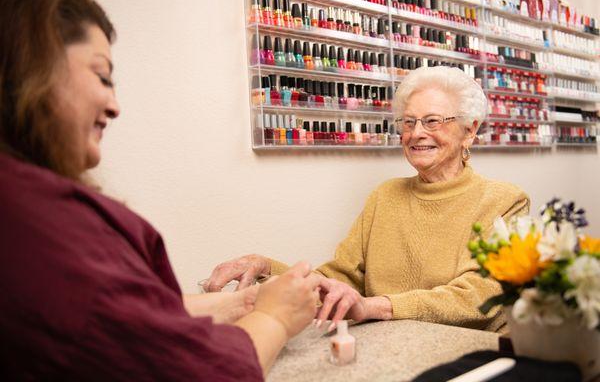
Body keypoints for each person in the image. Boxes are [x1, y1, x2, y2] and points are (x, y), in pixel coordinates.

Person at [0, 0, 320, 380]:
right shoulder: (35, 221)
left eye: (426, 121)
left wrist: (239, 306)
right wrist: (274, 317)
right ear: (32, 69)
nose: (115, 106)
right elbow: (192, 370)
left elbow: (126, 317)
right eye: (102, 76)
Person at [206, 66, 530, 333]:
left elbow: (479, 297)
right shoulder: (385, 195)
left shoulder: (505, 200)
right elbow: (338, 279)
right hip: (390, 346)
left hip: (471, 354)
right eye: (408, 121)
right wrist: (269, 269)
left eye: (432, 121)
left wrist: (373, 306)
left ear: (470, 131)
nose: (417, 133)